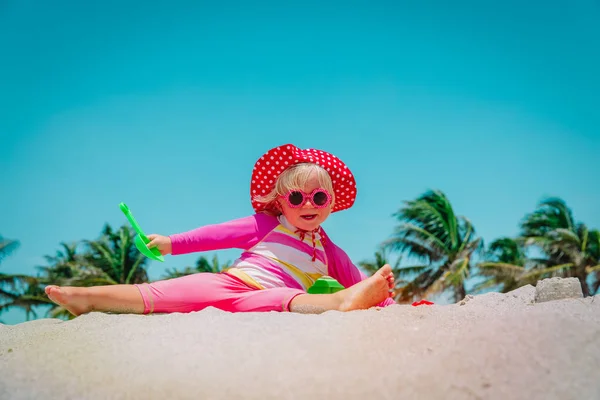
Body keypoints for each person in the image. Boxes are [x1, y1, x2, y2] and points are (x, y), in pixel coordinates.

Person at [45, 144, 396, 316]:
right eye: (297, 197)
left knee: (281, 300)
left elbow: (357, 278)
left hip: (265, 299)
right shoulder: (266, 225)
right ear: (279, 200)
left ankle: (339, 304)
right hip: (228, 282)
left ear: (332, 202)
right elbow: (215, 234)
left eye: (319, 197)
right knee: (165, 291)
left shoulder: (328, 250)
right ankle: (86, 298)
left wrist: (387, 299)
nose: (308, 205)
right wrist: (170, 243)